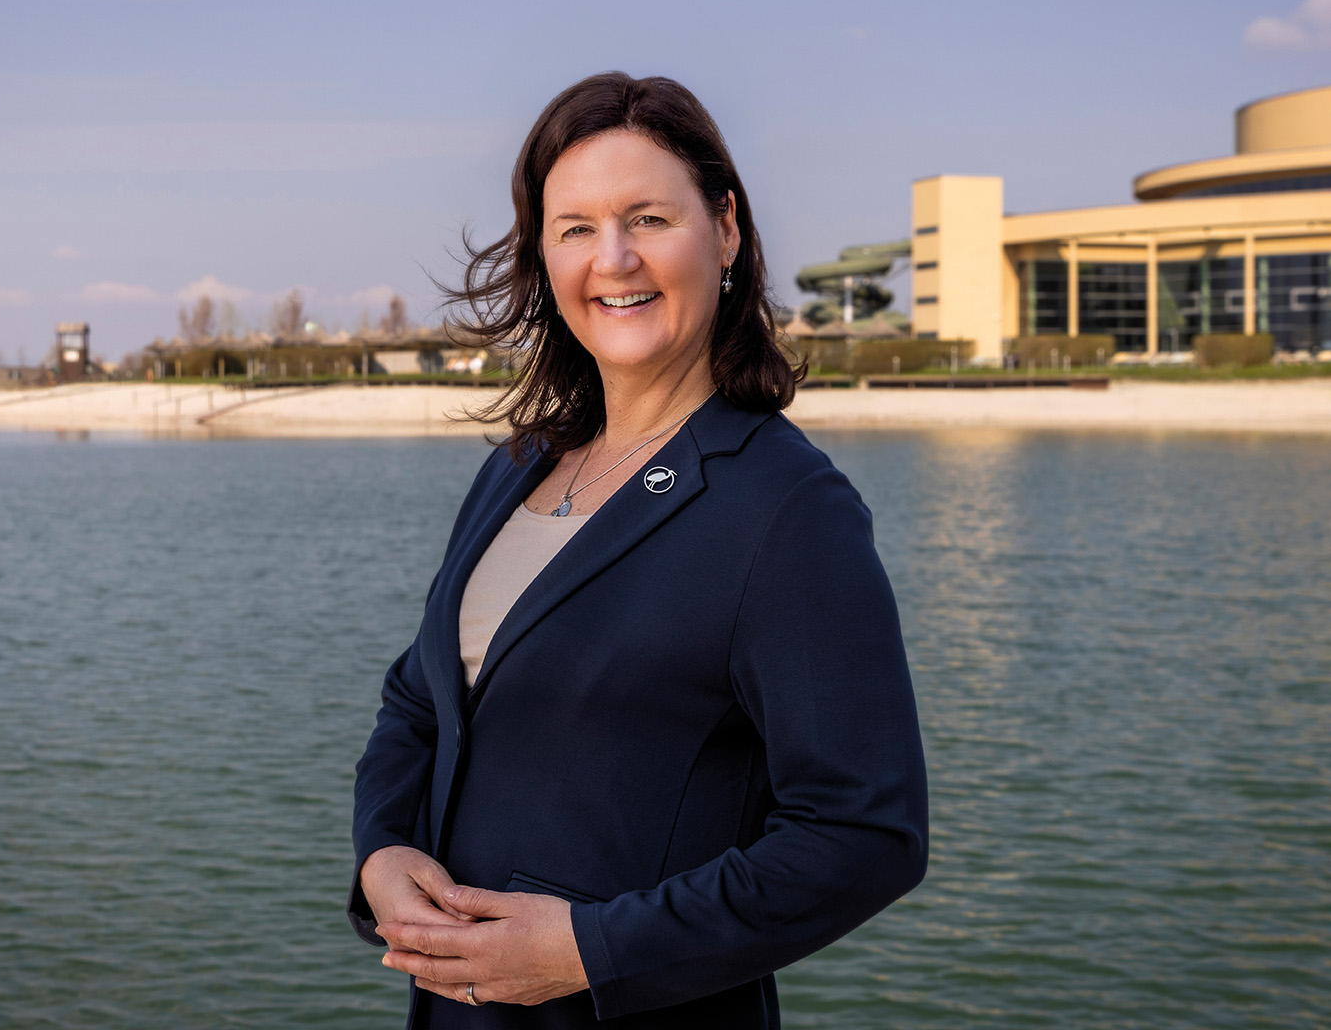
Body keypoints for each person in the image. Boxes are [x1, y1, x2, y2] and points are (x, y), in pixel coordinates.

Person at [348, 71, 928, 1028]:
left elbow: (865, 834)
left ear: (725, 229)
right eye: (575, 227)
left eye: (649, 219)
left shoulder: (789, 509)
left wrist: (592, 950)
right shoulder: (517, 467)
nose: (612, 259)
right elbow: (418, 697)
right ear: (543, 254)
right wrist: (382, 849)